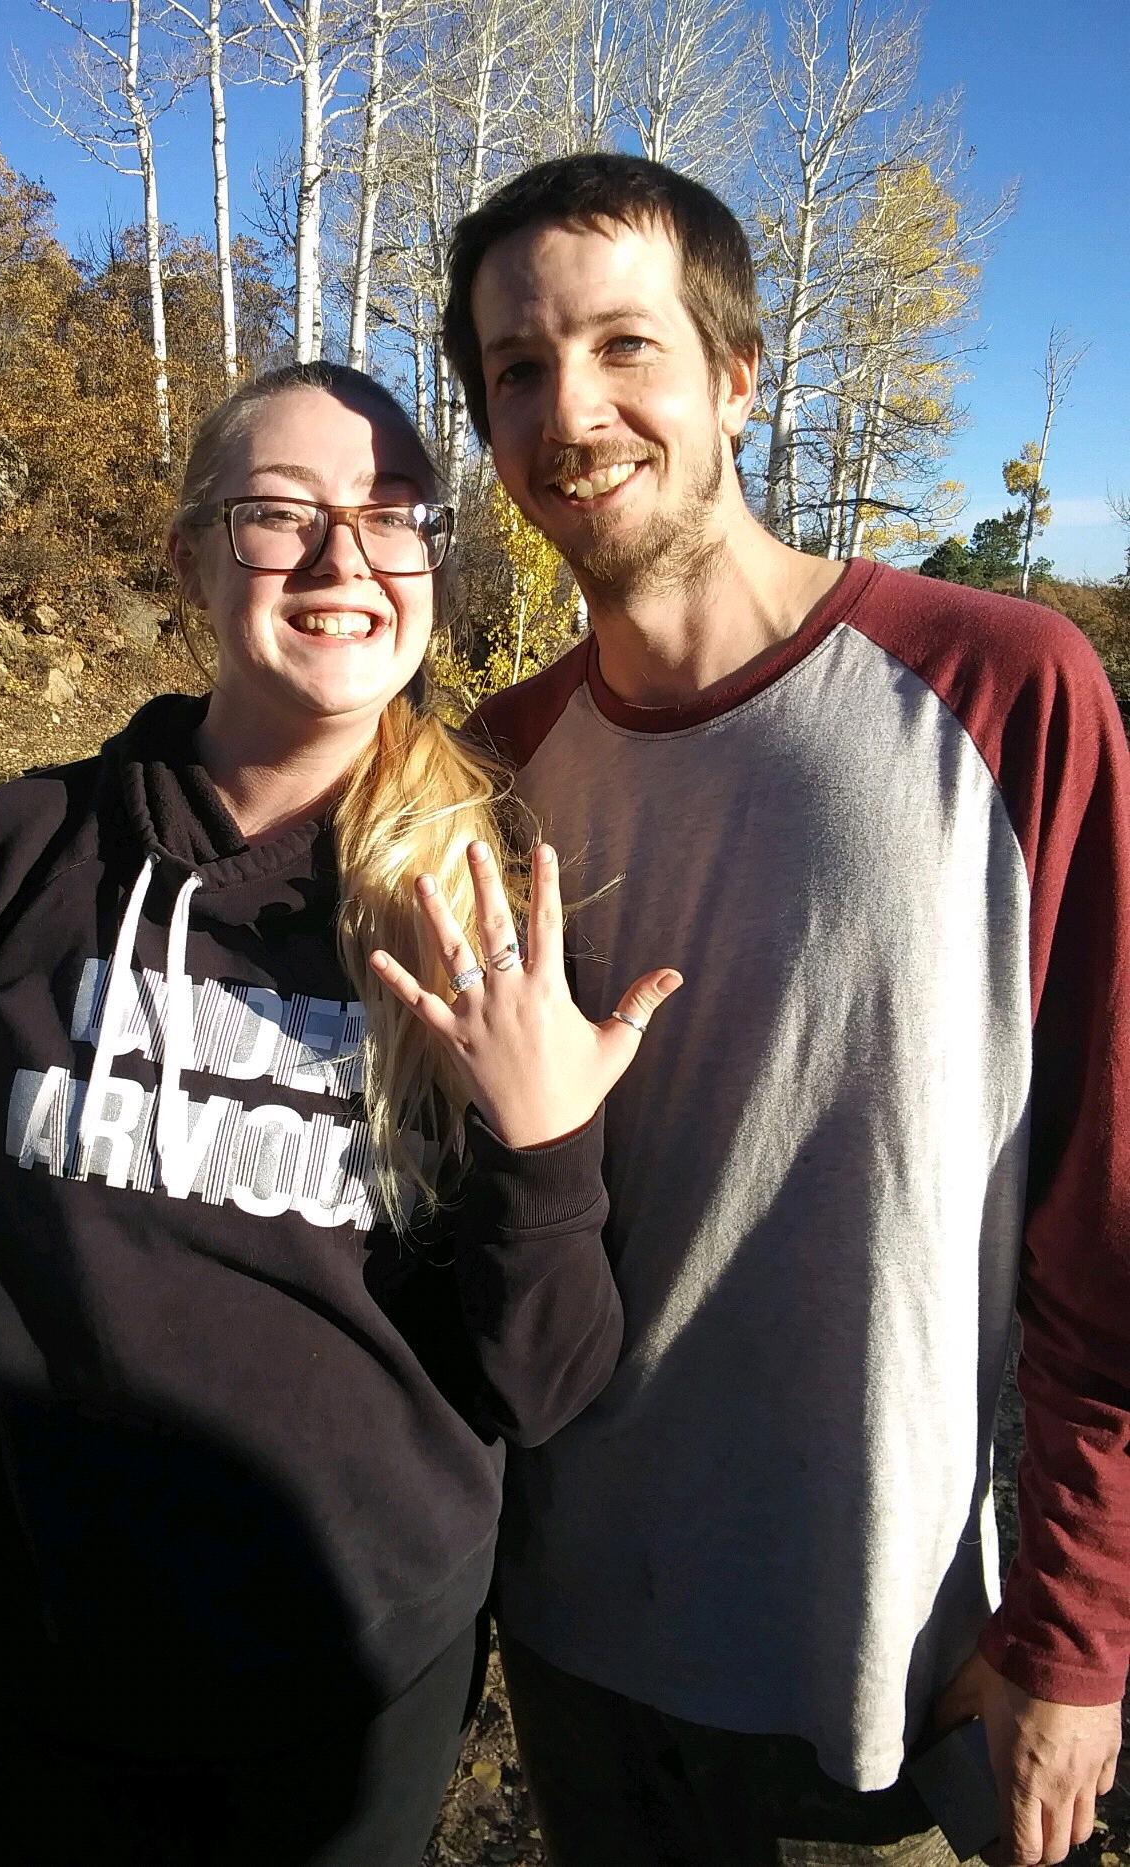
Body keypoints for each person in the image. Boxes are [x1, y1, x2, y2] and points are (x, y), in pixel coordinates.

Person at [0, 360, 681, 1866]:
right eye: (281, 513)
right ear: (192, 556)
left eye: (393, 517)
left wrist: (543, 1156)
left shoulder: (479, 895)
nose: (344, 561)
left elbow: (539, 1388)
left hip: (351, 1705)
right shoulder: (22, 856)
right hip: (35, 1680)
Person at [440, 153, 1130, 1867]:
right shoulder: (493, 771)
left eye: (624, 346)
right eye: (518, 369)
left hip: (886, 1669)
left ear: (739, 376)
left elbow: (1104, 1207)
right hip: (578, 1642)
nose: (569, 412)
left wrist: (1075, 1625)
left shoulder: (1003, 686)